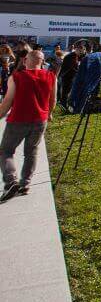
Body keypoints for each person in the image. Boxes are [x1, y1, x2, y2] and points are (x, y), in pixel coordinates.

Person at [0, 49, 57, 202]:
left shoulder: (16, 77)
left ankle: (11, 181)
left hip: (18, 120)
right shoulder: (51, 76)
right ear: (43, 62)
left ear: (25, 61)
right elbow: (53, 100)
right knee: (31, 152)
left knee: (5, 151)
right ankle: (25, 184)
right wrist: (49, 113)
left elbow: (6, 103)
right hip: (40, 120)